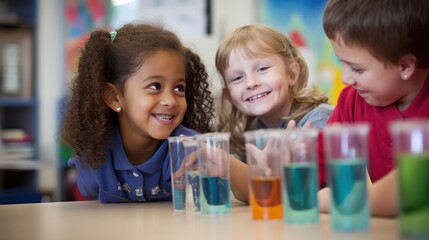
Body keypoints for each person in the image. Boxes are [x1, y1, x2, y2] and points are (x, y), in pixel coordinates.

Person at [59, 23, 218, 203]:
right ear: (114, 97)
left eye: (179, 88)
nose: (171, 100)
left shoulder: (190, 150)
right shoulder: (94, 154)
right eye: (155, 86)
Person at [318, 0, 429, 217]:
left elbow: (417, 187)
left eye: (357, 69)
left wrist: (345, 202)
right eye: (342, 63)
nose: (345, 78)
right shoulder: (352, 101)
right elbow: (314, 172)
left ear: (405, 66)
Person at [215, 24, 333, 161]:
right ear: (229, 96)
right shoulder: (249, 135)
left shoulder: (320, 119)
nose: (251, 83)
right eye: (237, 78)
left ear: (292, 74)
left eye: (262, 69)